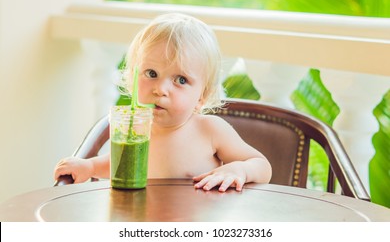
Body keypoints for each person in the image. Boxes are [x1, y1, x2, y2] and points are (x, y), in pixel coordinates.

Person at [54, 13, 272, 192]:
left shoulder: (209, 130)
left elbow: (262, 166)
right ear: (132, 78)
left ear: (202, 96)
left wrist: (239, 171)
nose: (161, 89)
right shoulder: (136, 128)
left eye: (181, 80)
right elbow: (120, 164)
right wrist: (89, 166)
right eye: (151, 73)